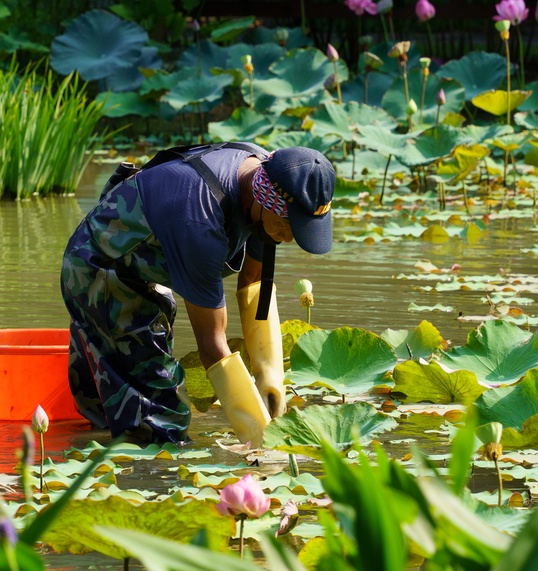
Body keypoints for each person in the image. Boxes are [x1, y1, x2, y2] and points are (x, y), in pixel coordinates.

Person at [60, 142, 336, 446]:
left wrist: (270, 377)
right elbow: (212, 346)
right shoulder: (201, 220)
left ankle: (92, 436)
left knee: (117, 401)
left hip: (146, 267)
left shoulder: (268, 178)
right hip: (101, 268)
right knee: (163, 422)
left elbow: (254, 283)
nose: (288, 239)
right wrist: (261, 440)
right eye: (286, 227)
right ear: (264, 199)